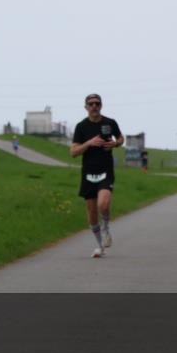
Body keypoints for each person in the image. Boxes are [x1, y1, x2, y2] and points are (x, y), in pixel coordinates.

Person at [70, 94, 124, 258]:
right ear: (86, 107)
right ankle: (100, 246)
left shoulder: (110, 122)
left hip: (106, 169)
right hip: (88, 172)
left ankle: (106, 227)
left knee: (104, 203)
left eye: (97, 103)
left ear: (101, 106)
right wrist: (89, 143)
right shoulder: (81, 126)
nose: (94, 106)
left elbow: (121, 138)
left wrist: (115, 143)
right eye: (91, 104)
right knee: (92, 212)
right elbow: (73, 152)